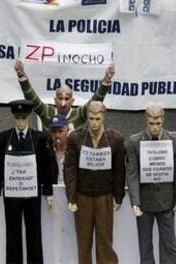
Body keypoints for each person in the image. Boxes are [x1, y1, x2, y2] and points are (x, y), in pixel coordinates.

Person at [0, 99, 53, 264]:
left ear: (28, 118)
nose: (20, 122)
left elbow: (46, 167)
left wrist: (49, 193)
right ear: (14, 118)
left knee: (34, 233)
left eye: (23, 118)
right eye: (17, 118)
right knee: (12, 233)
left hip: (32, 194)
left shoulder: (39, 138)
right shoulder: (4, 138)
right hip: (12, 195)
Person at [64, 101, 126, 264]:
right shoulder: (75, 138)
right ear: (87, 117)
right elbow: (70, 170)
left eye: (97, 119)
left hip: (104, 197)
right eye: (91, 119)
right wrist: (71, 197)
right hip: (82, 196)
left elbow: (120, 171)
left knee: (104, 241)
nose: (94, 123)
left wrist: (118, 196)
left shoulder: (116, 139)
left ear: (104, 116)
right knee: (83, 241)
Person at [126, 104, 176, 264]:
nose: (154, 127)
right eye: (151, 123)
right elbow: (132, 173)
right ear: (146, 120)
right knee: (145, 244)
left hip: (167, 200)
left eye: (158, 123)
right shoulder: (134, 141)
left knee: (169, 243)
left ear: (163, 119)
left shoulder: (175, 139)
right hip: (144, 202)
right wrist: (135, 202)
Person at [14, 60, 115, 132]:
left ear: (72, 101)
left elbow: (94, 102)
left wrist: (106, 81)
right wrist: (22, 76)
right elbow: (32, 98)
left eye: (67, 98)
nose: (63, 103)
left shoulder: (78, 114)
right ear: (55, 100)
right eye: (60, 98)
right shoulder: (47, 112)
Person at [48, 114, 69, 184]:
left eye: (60, 131)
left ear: (67, 131)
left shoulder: (74, 151)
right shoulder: (45, 153)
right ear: (50, 132)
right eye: (54, 132)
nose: (57, 135)